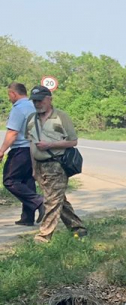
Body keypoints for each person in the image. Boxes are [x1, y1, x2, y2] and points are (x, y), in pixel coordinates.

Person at [25, 85, 85, 242]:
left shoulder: (61, 117)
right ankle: (78, 227)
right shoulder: (31, 118)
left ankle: (44, 235)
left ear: (49, 100)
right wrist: (33, 169)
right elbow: (31, 144)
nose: (37, 104)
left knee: (51, 200)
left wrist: (50, 145)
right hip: (39, 165)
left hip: (56, 164)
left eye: (40, 101)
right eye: (35, 101)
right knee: (57, 199)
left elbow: (73, 142)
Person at [1, 82, 44, 226]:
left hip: (21, 149)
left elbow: (13, 132)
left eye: (9, 94)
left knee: (10, 180)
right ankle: (27, 217)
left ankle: (39, 201)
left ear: (13, 93)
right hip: (34, 148)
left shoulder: (18, 109)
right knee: (27, 180)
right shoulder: (33, 106)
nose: (9, 98)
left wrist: (2, 151)